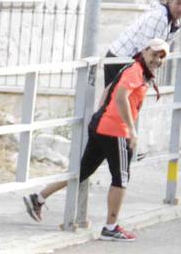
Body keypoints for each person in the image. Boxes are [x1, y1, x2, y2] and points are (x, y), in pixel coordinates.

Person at [22, 38, 167, 241]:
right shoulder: (135, 71)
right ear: (144, 51)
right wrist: (132, 131)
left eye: (162, 57)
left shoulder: (132, 68)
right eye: (154, 54)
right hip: (116, 131)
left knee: (82, 171)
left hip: (101, 126)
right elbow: (120, 97)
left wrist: (101, 113)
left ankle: (38, 197)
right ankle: (111, 227)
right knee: (121, 178)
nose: (157, 59)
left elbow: (109, 90)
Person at [102, 0, 181, 88]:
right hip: (120, 59)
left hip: (131, 62)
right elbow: (146, 49)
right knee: (116, 100)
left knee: (120, 100)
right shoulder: (160, 17)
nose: (180, 8)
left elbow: (160, 52)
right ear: (170, 1)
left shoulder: (175, 24)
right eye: (178, 3)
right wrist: (147, 76)